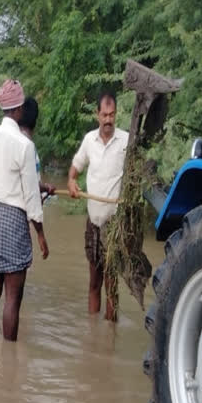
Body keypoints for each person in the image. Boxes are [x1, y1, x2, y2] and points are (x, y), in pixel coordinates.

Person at [0, 79, 49, 341]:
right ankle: (9, 356)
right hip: (13, 218)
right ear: (18, 110)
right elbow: (31, 197)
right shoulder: (24, 145)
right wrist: (41, 234)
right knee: (13, 297)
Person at [67, 91, 127, 322]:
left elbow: (135, 174)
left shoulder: (126, 141)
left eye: (112, 115)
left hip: (113, 225)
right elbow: (75, 167)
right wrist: (72, 181)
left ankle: (109, 336)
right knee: (94, 280)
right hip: (93, 221)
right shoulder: (89, 140)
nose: (108, 120)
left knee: (111, 284)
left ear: (116, 114)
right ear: (97, 115)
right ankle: (93, 333)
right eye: (104, 115)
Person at [18, 97, 56, 198]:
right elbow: (31, 185)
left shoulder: (10, 141)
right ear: (35, 121)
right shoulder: (28, 146)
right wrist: (47, 188)